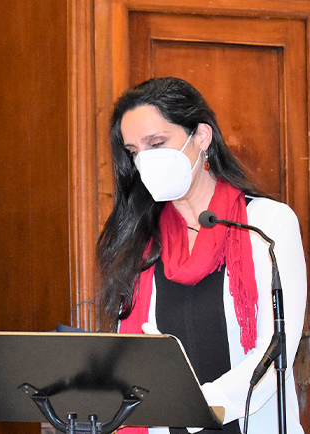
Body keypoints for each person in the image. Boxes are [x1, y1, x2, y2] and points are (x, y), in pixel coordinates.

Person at [97, 77, 307, 433]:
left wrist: (197, 406)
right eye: (134, 152)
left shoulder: (267, 226)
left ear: (202, 137)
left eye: (157, 143)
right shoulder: (140, 245)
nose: (145, 161)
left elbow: (274, 354)